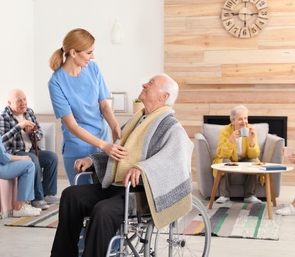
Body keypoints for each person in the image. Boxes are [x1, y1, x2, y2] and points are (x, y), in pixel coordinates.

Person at [50, 74, 193, 257]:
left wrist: (142, 168)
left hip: (141, 194)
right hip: (116, 187)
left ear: (163, 96)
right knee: (71, 195)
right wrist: (92, 160)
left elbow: (175, 159)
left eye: (150, 83)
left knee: (103, 211)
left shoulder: (171, 126)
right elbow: (117, 152)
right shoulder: (137, 120)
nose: (144, 84)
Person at [48, 28, 126, 185]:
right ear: (73, 53)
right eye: (89, 52)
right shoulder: (56, 82)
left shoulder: (93, 68)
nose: (93, 56)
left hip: (103, 144)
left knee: (104, 199)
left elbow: (104, 104)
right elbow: (72, 126)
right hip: (78, 148)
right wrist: (104, 145)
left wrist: (115, 126)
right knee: (83, 201)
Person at [0, 89, 59, 210]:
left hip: (30, 150)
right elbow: (0, 143)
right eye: (19, 101)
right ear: (9, 103)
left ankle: (48, 193)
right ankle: (37, 198)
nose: (23, 103)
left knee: (52, 158)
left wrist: (31, 132)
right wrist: (18, 127)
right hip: (13, 153)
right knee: (32, 159)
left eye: (24, 99)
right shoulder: (2, 116)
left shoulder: (29, 112)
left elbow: (39, 132)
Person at [212, 105, 262, 204]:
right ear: (232, 121)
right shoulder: (225, 132)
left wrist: (252, 140)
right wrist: (231, 139)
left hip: (245, 158)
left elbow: (253, 155)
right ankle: (224, 195)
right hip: (230, 159)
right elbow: (222, 154)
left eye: (245, 118)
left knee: (255, 162)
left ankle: (250, 195)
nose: (244, 122)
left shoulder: (250, 129)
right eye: (240, 119)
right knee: (224, 162)